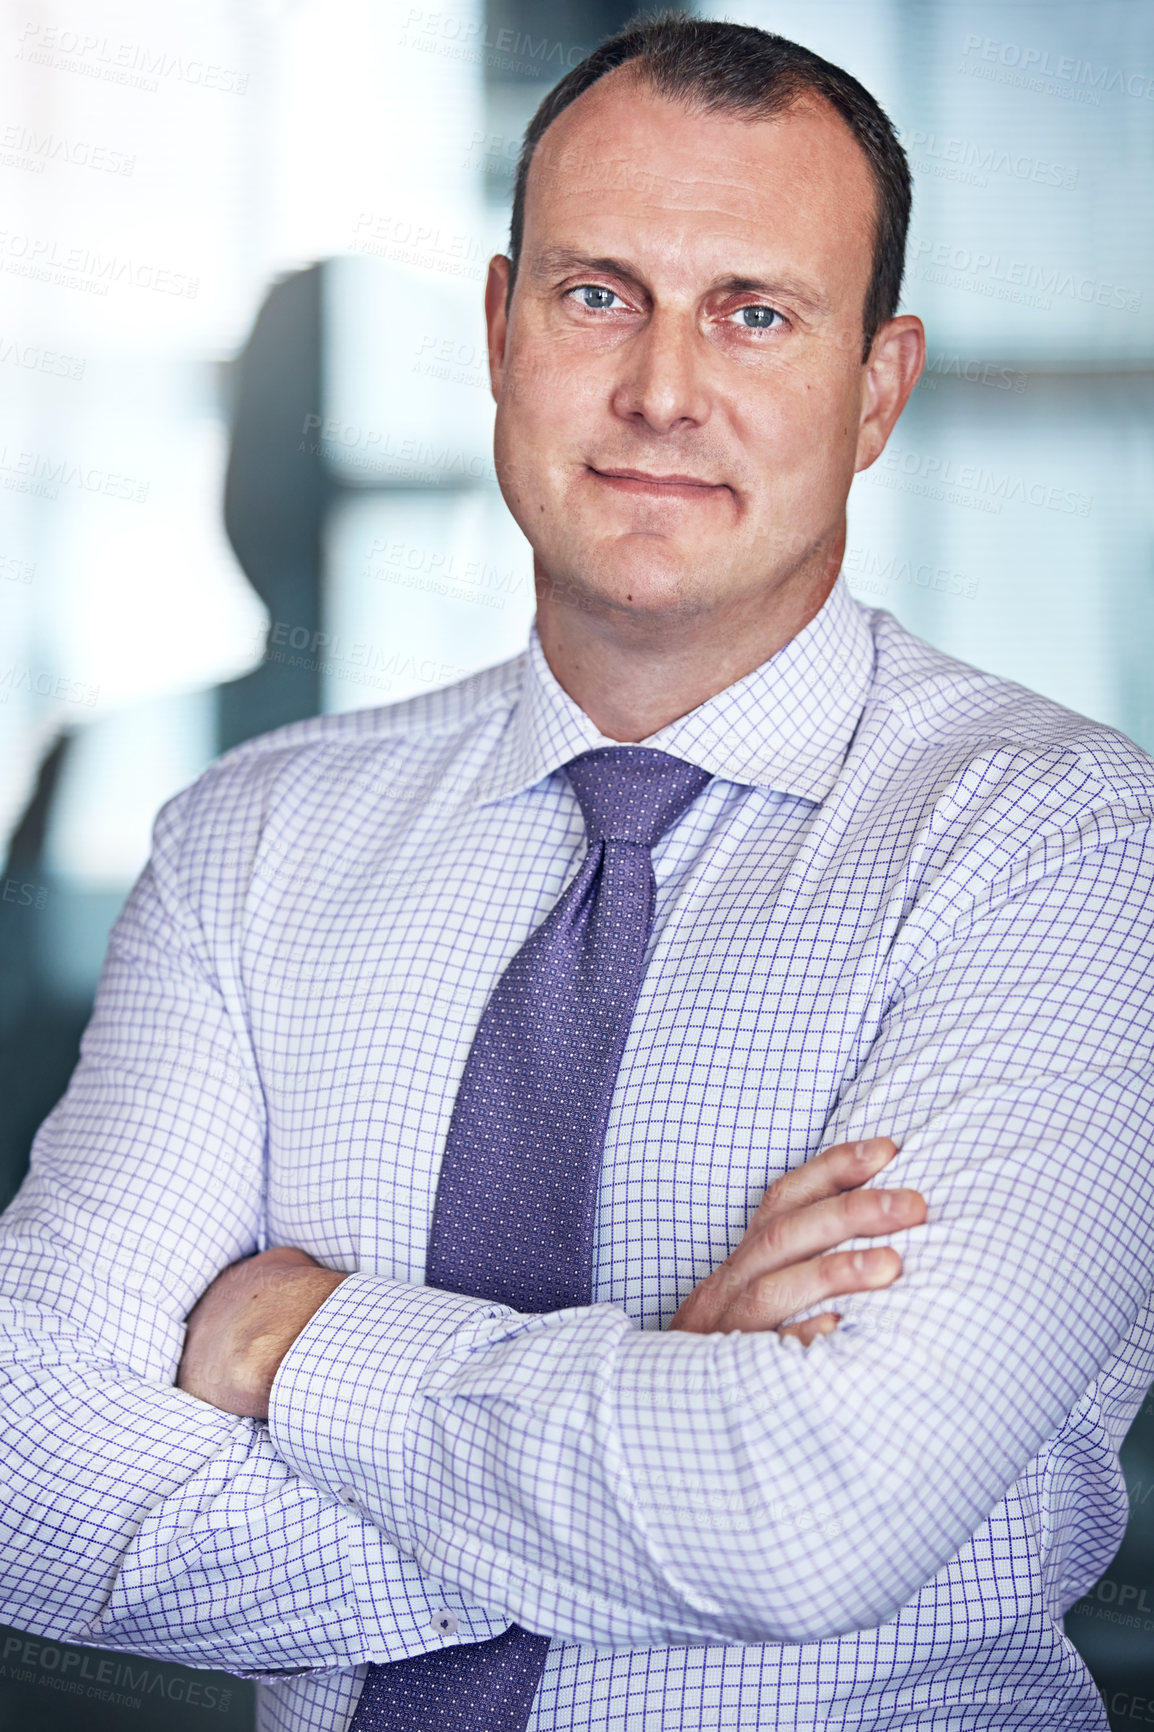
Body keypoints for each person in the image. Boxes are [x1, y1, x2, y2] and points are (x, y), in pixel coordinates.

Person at [1, 15, 1152, 1732]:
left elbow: (808, 1515)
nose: (662, 391)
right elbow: (26, 1472)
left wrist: (299, 1346)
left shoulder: (1058, 847)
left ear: (877, 388)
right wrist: (661, 1400)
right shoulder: (249, 841)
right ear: (498, 330)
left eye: (752, 314)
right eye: (596, 294)